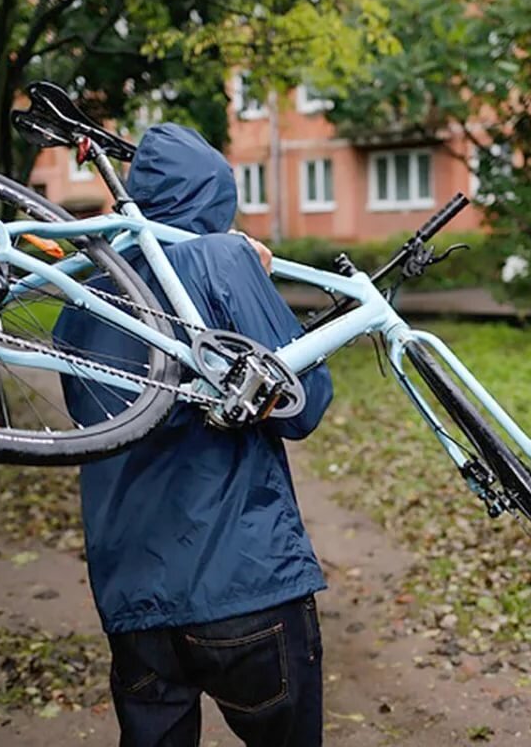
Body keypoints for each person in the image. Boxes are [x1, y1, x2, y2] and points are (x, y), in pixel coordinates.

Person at [52, 123, 334, 747]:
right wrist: (249, 276)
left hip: (134, 603)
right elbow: (303, 404)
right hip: (246, 584)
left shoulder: (84, 296)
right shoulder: (220, 258)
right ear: (217, 197)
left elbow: (97, 420)